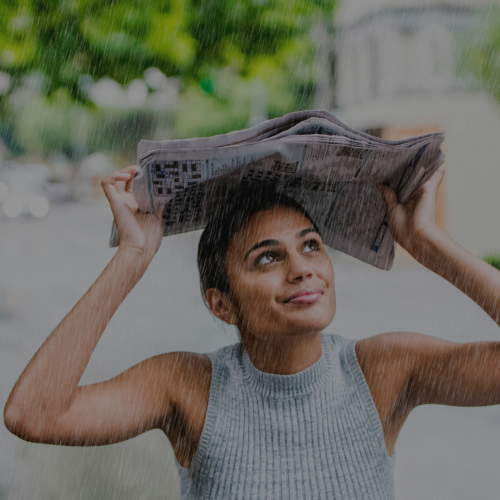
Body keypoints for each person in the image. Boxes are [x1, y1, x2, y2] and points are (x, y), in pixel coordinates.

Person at [4, 164, 500, 499]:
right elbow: (34, 415)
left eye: (310, 245)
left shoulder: (383, 369)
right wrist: (133, 256)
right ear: (222, 304)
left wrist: (427, 243)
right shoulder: (186, 384)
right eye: (267, 257)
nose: (302, 268)